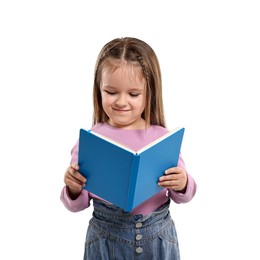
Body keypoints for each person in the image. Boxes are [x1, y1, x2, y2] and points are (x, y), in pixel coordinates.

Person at [60, 37, 197, 259]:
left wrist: (183, 183)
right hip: (106, 237)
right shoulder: (91, 139)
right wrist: (73, 188)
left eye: (133, 94)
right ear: (99, 90)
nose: (121, 102)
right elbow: (77, 204)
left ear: (149, 93)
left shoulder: (162, 139)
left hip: (158, 238)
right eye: (111, 92)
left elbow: (184, 195)